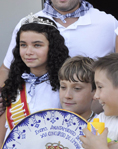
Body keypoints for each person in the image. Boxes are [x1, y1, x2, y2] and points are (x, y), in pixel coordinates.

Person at [0, 0, 118, 94]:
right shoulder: (27, 25)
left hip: (92, 115)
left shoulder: (108, 24)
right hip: (39, 114)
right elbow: (7, 69)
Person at [0, 14, 69, 142]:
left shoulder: (65, 85)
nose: (28, 52)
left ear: (52, 48)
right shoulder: (12, 84)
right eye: (23, 45)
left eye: (37, 45)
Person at [58, 55, 97, 121]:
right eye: (63, 87)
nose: (67, 95)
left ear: (95, 92)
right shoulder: (50, 124)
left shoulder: (103, 127)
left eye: (77, 88)